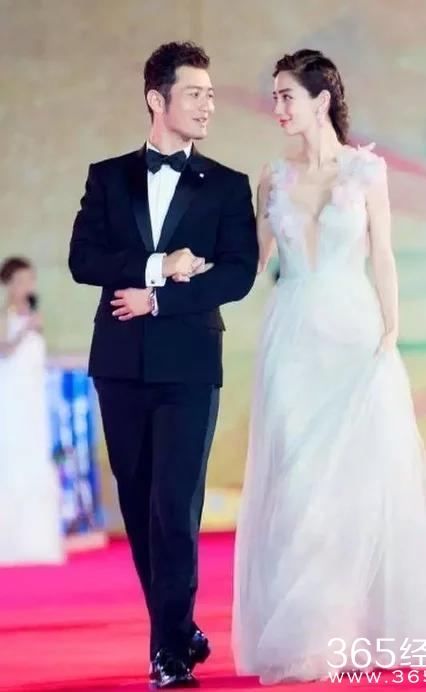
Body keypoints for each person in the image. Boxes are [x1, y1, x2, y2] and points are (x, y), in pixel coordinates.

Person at [232, 49, 426, 683]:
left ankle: (359, 627)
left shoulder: (367, 172)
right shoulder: (272, 177)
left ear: (320, 100)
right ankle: (307, 633)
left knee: (359, 479)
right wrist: (190, 270)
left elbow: (382, 254)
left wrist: (392, 327)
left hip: (353, 335)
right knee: (299, 478)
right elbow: (252, 263)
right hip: (292, 338)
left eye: (286, 95)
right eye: (274, 96)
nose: (277, 107)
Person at [69, 41, 257, 688]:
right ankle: (178, 629)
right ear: (158, 99)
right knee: (140, 506)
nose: (208, 105)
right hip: (118, 365)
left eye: (211, 94)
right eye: (195, 94)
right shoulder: (108, 177)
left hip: (189, 366)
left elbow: (237, 274)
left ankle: (168, 655)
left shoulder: (227, 185)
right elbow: (83, 260)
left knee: (174, 508)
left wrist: (159, 298)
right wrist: (156, 265)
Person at [0, 257, 63, 565]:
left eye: (30, 280)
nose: (27, 286)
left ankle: (38, 541)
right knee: (13, 459)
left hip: (34, 399)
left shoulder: (35, 315)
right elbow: (4, 349)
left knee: (36, 458)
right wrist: (26, 328)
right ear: (9, 284)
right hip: (11, 397)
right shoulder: (5, 315)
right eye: (21, 281)